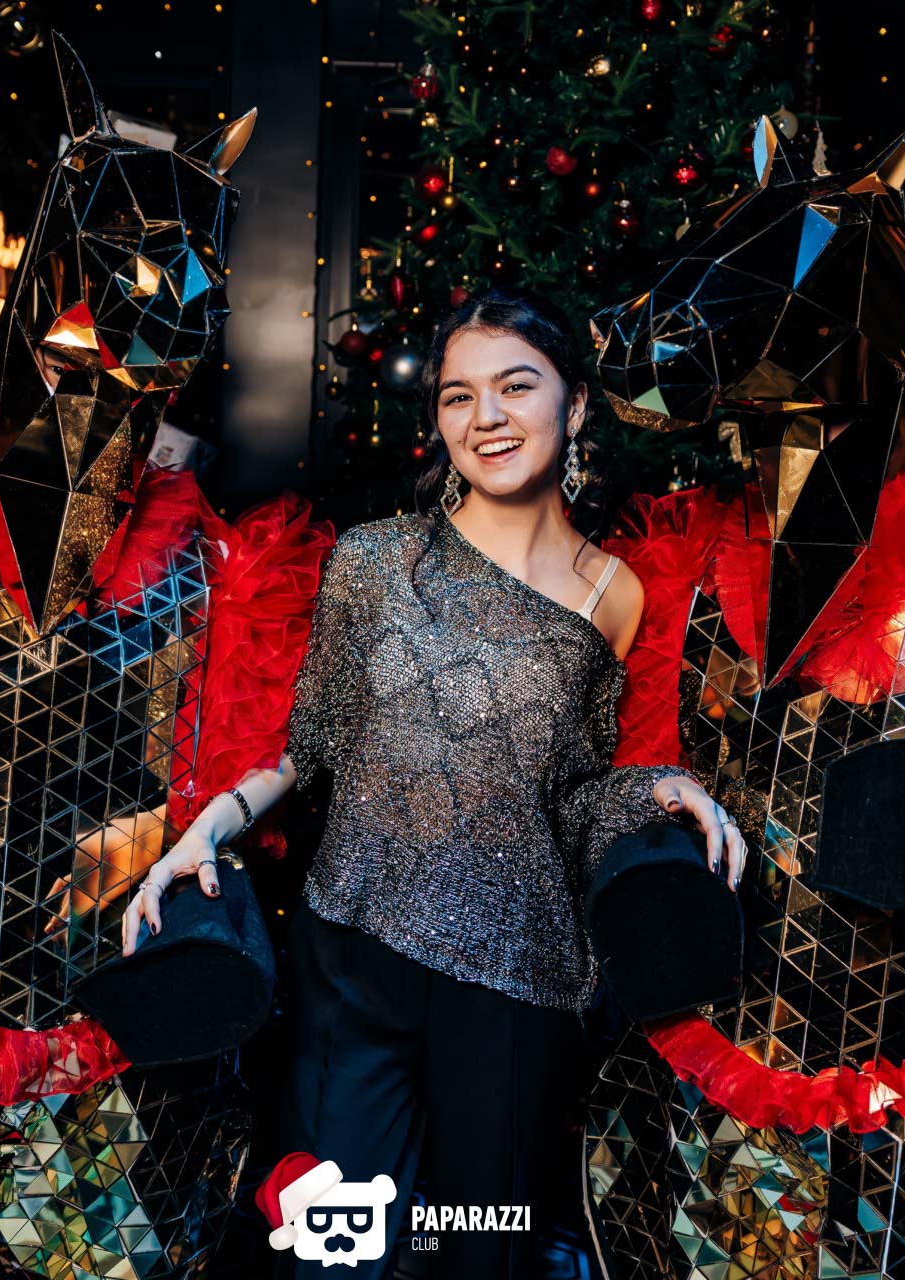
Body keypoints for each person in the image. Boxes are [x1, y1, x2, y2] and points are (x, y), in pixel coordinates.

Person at [120, 290, 745, 1278]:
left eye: (516, 387)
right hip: (352, 953)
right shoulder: (373, 560)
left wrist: (660, 791)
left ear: (577, 404)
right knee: (332, 1251)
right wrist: (206, 830)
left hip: (515, 980)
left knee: (476, 1252)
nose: (486, 416)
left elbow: (569, 794)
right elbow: (311, 745)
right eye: (459, 396)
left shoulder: (614, 592)